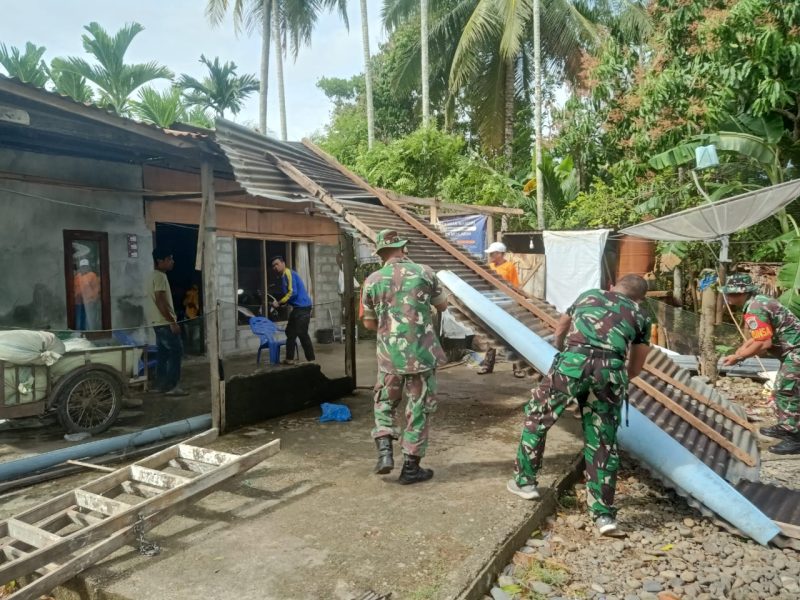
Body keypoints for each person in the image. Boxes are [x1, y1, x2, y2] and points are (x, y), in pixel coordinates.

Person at [506, 274, 652, 535]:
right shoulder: (640, 315)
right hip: (610, 372)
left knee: (538, 418)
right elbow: (637, 367)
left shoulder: (590, 295)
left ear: (613, 286)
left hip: (572, 365)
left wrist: (564, 351)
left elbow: (561, 327)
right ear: (640, 298)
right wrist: (613, 375)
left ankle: (525, 483)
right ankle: (603, 516)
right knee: (602, 441)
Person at [361, 229, 449, 484]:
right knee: (418, 408)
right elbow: (442, 306)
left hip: (389, 356)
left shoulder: (372, 280)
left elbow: (368, 323)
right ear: (403, 248)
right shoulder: (425, 273)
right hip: (422, 354)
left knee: (384, 401)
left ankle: (385, 452)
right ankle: (411, 468)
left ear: (380, 254)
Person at [720, 273, 800, 454]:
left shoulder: (755, 309)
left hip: (797, 351)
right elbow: (757, 338)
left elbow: (764, 344)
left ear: (741, 293)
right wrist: (740, 351)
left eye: (730, 294)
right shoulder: (758, 301)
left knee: (786, 390)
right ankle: (786, 426)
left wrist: (739, 358)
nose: (728, 297)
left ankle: (794, 437)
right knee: (783, 389)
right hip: (793, 351)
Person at [145, 247, 188, 396]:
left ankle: (160, 385)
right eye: (169, 259)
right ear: (160, 261)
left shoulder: (151, 276)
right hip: (164, 322)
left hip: (157, 323)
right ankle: (172, 386)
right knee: (176, 352)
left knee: (162, 355)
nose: (172, 262)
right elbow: (160, 300)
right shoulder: (160, 277)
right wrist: (172, 322)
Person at [479, 242, 526, 377]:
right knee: (491, 335)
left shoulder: (509, 267)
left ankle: (517, 368)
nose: (490, 256)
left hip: (506, 304)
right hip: (492, 304)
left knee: (512, 336)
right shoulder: (490, 266)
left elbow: (515, 286)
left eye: (492, 254)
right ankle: (487, 365)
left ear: (499, 254)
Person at [271, 256, 315, 364]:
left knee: (302, 333)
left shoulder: (288, 273)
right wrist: (281, 304)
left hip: (303, 307)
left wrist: (279, 302)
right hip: (297, 308)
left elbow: (292, 293)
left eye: (277, 264)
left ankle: (311, 361)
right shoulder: (282, 278)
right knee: (290, 332)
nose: (275, 267)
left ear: (283, 263)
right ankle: (289, 359)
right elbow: (289, 296)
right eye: (273, 266)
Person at [74, 258, 101, 331]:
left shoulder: (92, 275)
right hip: (79, 302)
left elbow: (96, 288)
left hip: (89, 301)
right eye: (82, 267)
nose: (84, 268)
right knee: (80, 318)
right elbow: (75, 288)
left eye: (85, 266)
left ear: (88, 267)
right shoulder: (77, 276)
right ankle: (81, 332)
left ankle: (92, 332)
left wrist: (94, 299)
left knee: (90, 319)